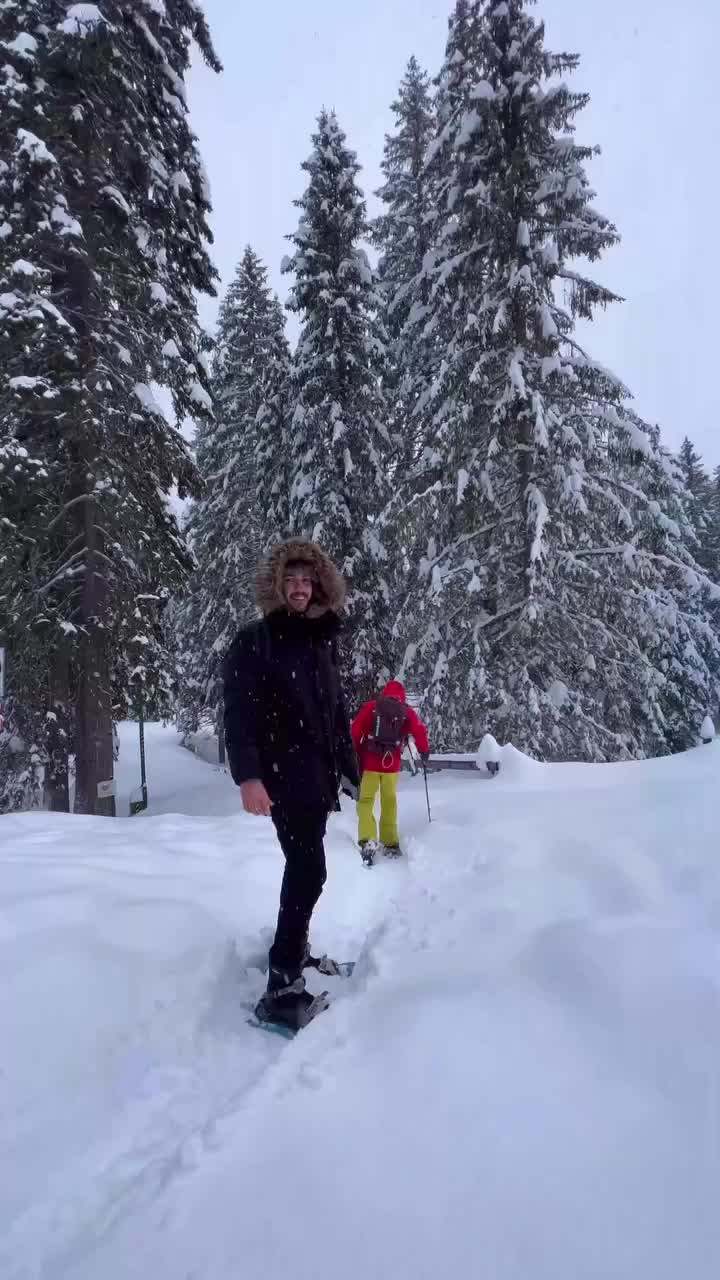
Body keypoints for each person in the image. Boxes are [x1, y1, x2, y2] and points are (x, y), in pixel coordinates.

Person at [222, 538, 359, 1030]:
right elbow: (238, 716)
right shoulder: (255, 641)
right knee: (309, 871)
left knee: (306, 866)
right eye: (291, 580)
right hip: (282, 779)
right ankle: (281, 985)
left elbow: (334, 708)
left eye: (307, 580)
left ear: (318, 584)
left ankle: (294, 954)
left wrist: (347, 763)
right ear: (277, 587)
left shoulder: (322, 638)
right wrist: (250, 777)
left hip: (315, 778)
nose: (300, 588)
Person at [351, 680, 429, 863]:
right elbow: (419, 730)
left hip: (370, 764)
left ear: (385, 693)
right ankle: (390, 842)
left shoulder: (371, 707)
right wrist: (424, 750)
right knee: (389, 801)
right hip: (391, 766)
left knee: (366, 801)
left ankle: (368, 839)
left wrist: (353, 752)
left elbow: (355, 730)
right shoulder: (406, 712)